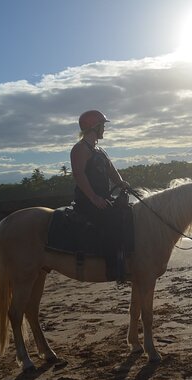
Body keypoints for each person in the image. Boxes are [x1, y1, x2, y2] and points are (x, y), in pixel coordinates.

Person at [70, 110, 130, 279]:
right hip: (88, 201)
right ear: (94, 127)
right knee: (112, 221)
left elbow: (112, 171)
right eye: (102, 125)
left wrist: (121, 183)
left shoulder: (99, 150)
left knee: (127, 213)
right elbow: (79, 175)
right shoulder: (80, 149)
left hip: (104, 198)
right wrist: (94, 198)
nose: (104, 129)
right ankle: (113, 267)